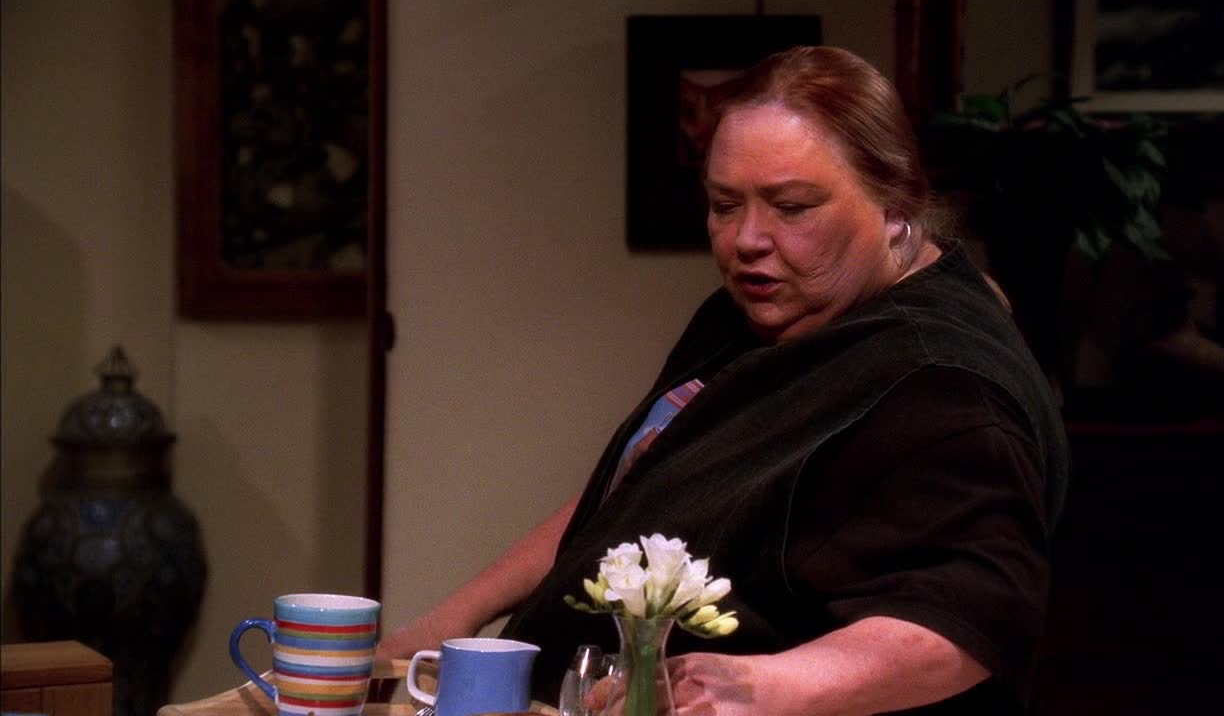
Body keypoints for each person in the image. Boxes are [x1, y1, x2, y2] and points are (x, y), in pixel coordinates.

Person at [379, 46, 1068, 715]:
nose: (746, 240)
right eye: (724, 204)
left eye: (792, 207)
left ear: (896, 208)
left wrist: (761, 688)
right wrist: (452, 619)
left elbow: (970, 616)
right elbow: (640, 487)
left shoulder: (947, 381)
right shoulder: (762, 310)